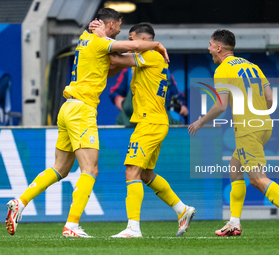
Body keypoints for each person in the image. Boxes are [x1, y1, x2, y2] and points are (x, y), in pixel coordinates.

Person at [5, 8, 169, 238]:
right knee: (90, 169)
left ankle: (19, 202)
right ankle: (71, 225)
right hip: (82, 110)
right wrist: (157, 44)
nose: (120, 32)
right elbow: (132, 47)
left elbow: (112, 63)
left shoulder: (85, 38)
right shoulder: (100, 42)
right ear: (110, 25)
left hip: (68, 107)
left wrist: (106, 38)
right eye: (119, 27)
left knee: (60, 169)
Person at [188, 29, 279, 236]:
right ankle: (234, 223)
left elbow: (221, 105)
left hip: (247, 129)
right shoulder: (252, 66)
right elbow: (269, 98)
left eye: (210, 44)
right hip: (264, 125)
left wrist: (200, 122)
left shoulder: (223, 70)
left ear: (219, 47)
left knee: (257, 179)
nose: (208, 48)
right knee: (235, 168)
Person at [105, 22, 196, 237]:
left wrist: (99, 41)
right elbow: (114, 66)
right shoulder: (151, 58)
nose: (128, 42)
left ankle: (133, 228)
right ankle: (181, 209)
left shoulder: (152, 56)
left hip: (150, 123)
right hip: (154, 121)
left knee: (131, 171)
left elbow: (114, 59)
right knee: (145, 173)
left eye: (131, 38)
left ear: (142, 41)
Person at [109, 67, 188, 126]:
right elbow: (115, 94)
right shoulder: (129, 71)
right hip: (130, 125)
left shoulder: (165, 73)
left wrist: (178, 108)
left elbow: (180, 103)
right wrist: (124, 103)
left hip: (159, 124)